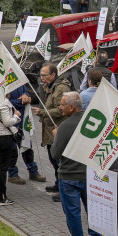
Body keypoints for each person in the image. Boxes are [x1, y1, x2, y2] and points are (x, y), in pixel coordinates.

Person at [50, 91, 102, 236]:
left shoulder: (65, 126)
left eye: (62, 104)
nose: (60, 107)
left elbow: (55, 153)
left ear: (72, 107)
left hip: (69, 176)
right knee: (92, 210)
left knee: (73, 213)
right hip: (90, 175)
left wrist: (56, 137)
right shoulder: (94, 121)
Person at [35, 63, 72, 195]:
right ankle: (58, 185)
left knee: (59, 161)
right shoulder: (49, 87)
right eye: (41, 75)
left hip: (58, 128)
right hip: (50, 129)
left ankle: (64, 191)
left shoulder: (61, 88)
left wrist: (42, 112)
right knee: (52, 159)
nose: (42, 78)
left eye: (45, 75)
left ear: (53, 75)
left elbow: (61, 110)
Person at [5, 83, 44, 184]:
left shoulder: (18, 81)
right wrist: (21, 101)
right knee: (12, 151)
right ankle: (13, 174)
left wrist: (27, 97)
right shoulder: (3, 83)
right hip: (11, 123)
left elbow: (25, 93)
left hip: (22, 122)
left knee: (28, 148)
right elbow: (6, 103)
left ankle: (33, 171)